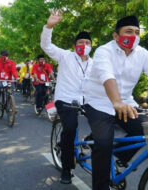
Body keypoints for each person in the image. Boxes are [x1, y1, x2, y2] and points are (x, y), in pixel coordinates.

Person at [83, 15, 148, 190]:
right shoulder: (103, 51)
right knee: (103, 144)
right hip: (98, 102)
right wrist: (116, 101)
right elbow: (108, 76)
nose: (134, 35)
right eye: (128, 31)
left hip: (126, 103)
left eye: (137, 32)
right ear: (116, 35)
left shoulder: (142, 54)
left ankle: (119, 155)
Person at [40, 10, 93, 184]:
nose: (83, 45)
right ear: (74, 45)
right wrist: (49, 26)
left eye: (87, 42)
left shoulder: (96, 62)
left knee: (106, 121)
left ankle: (87, 141)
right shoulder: (65, 56)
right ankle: (66, 167)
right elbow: (46, 46)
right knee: (70, 127)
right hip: (66, 100)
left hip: (87, 101)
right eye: (80, 42)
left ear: (91, 46)